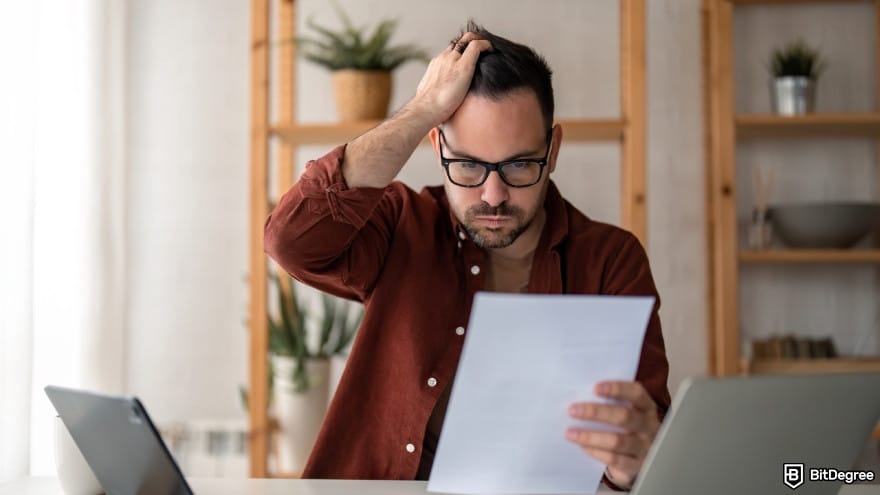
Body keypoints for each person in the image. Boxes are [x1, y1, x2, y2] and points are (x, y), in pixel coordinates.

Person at [264, 21, 670, 491]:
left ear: (553, 150)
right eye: (469, 166)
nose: (493, 196)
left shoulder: (610, 260)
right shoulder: (402, 225)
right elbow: (291, 239)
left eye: (519, 164)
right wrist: (422, 109)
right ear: (437, 147)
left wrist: (633, 464)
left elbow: (647, 453)